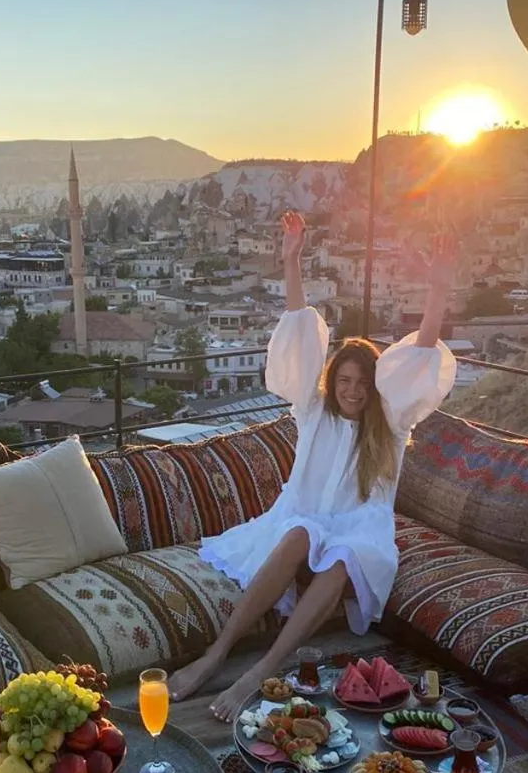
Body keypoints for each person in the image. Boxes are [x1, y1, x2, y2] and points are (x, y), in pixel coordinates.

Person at [168, 211, 458, 722]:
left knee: (346, 554)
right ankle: (215, 654)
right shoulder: (313, 411)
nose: (350, 391)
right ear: (332, 381)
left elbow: (423, 352)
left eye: (360, 383)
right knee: (301, 531)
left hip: (359, 528)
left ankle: (262, 669)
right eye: (342, 381)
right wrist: (292, 260)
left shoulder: (389, 424)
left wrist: (436, 291)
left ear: (374, 387)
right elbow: (301, 328)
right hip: (302, 516)